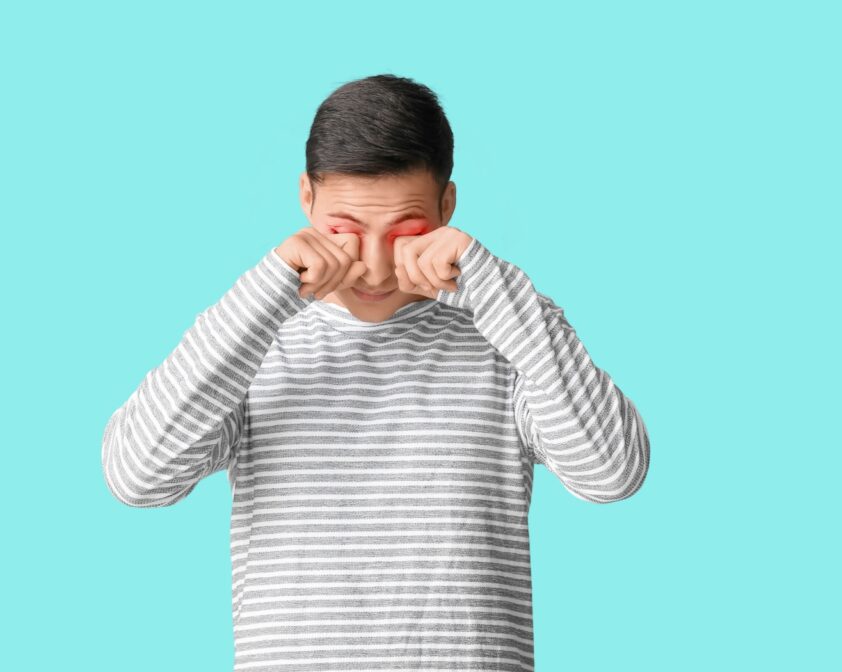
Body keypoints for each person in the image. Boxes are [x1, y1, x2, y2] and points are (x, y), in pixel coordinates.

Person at [102, 73, 650, 671]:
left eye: (406, 232)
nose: (373, 266)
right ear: (306, 199)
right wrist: (264, 293)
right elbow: (138, 477)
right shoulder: (250, 342)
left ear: (448, 207)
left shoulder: (509, 337)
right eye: (345, 230)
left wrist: (495, 288)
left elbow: (612, 473)